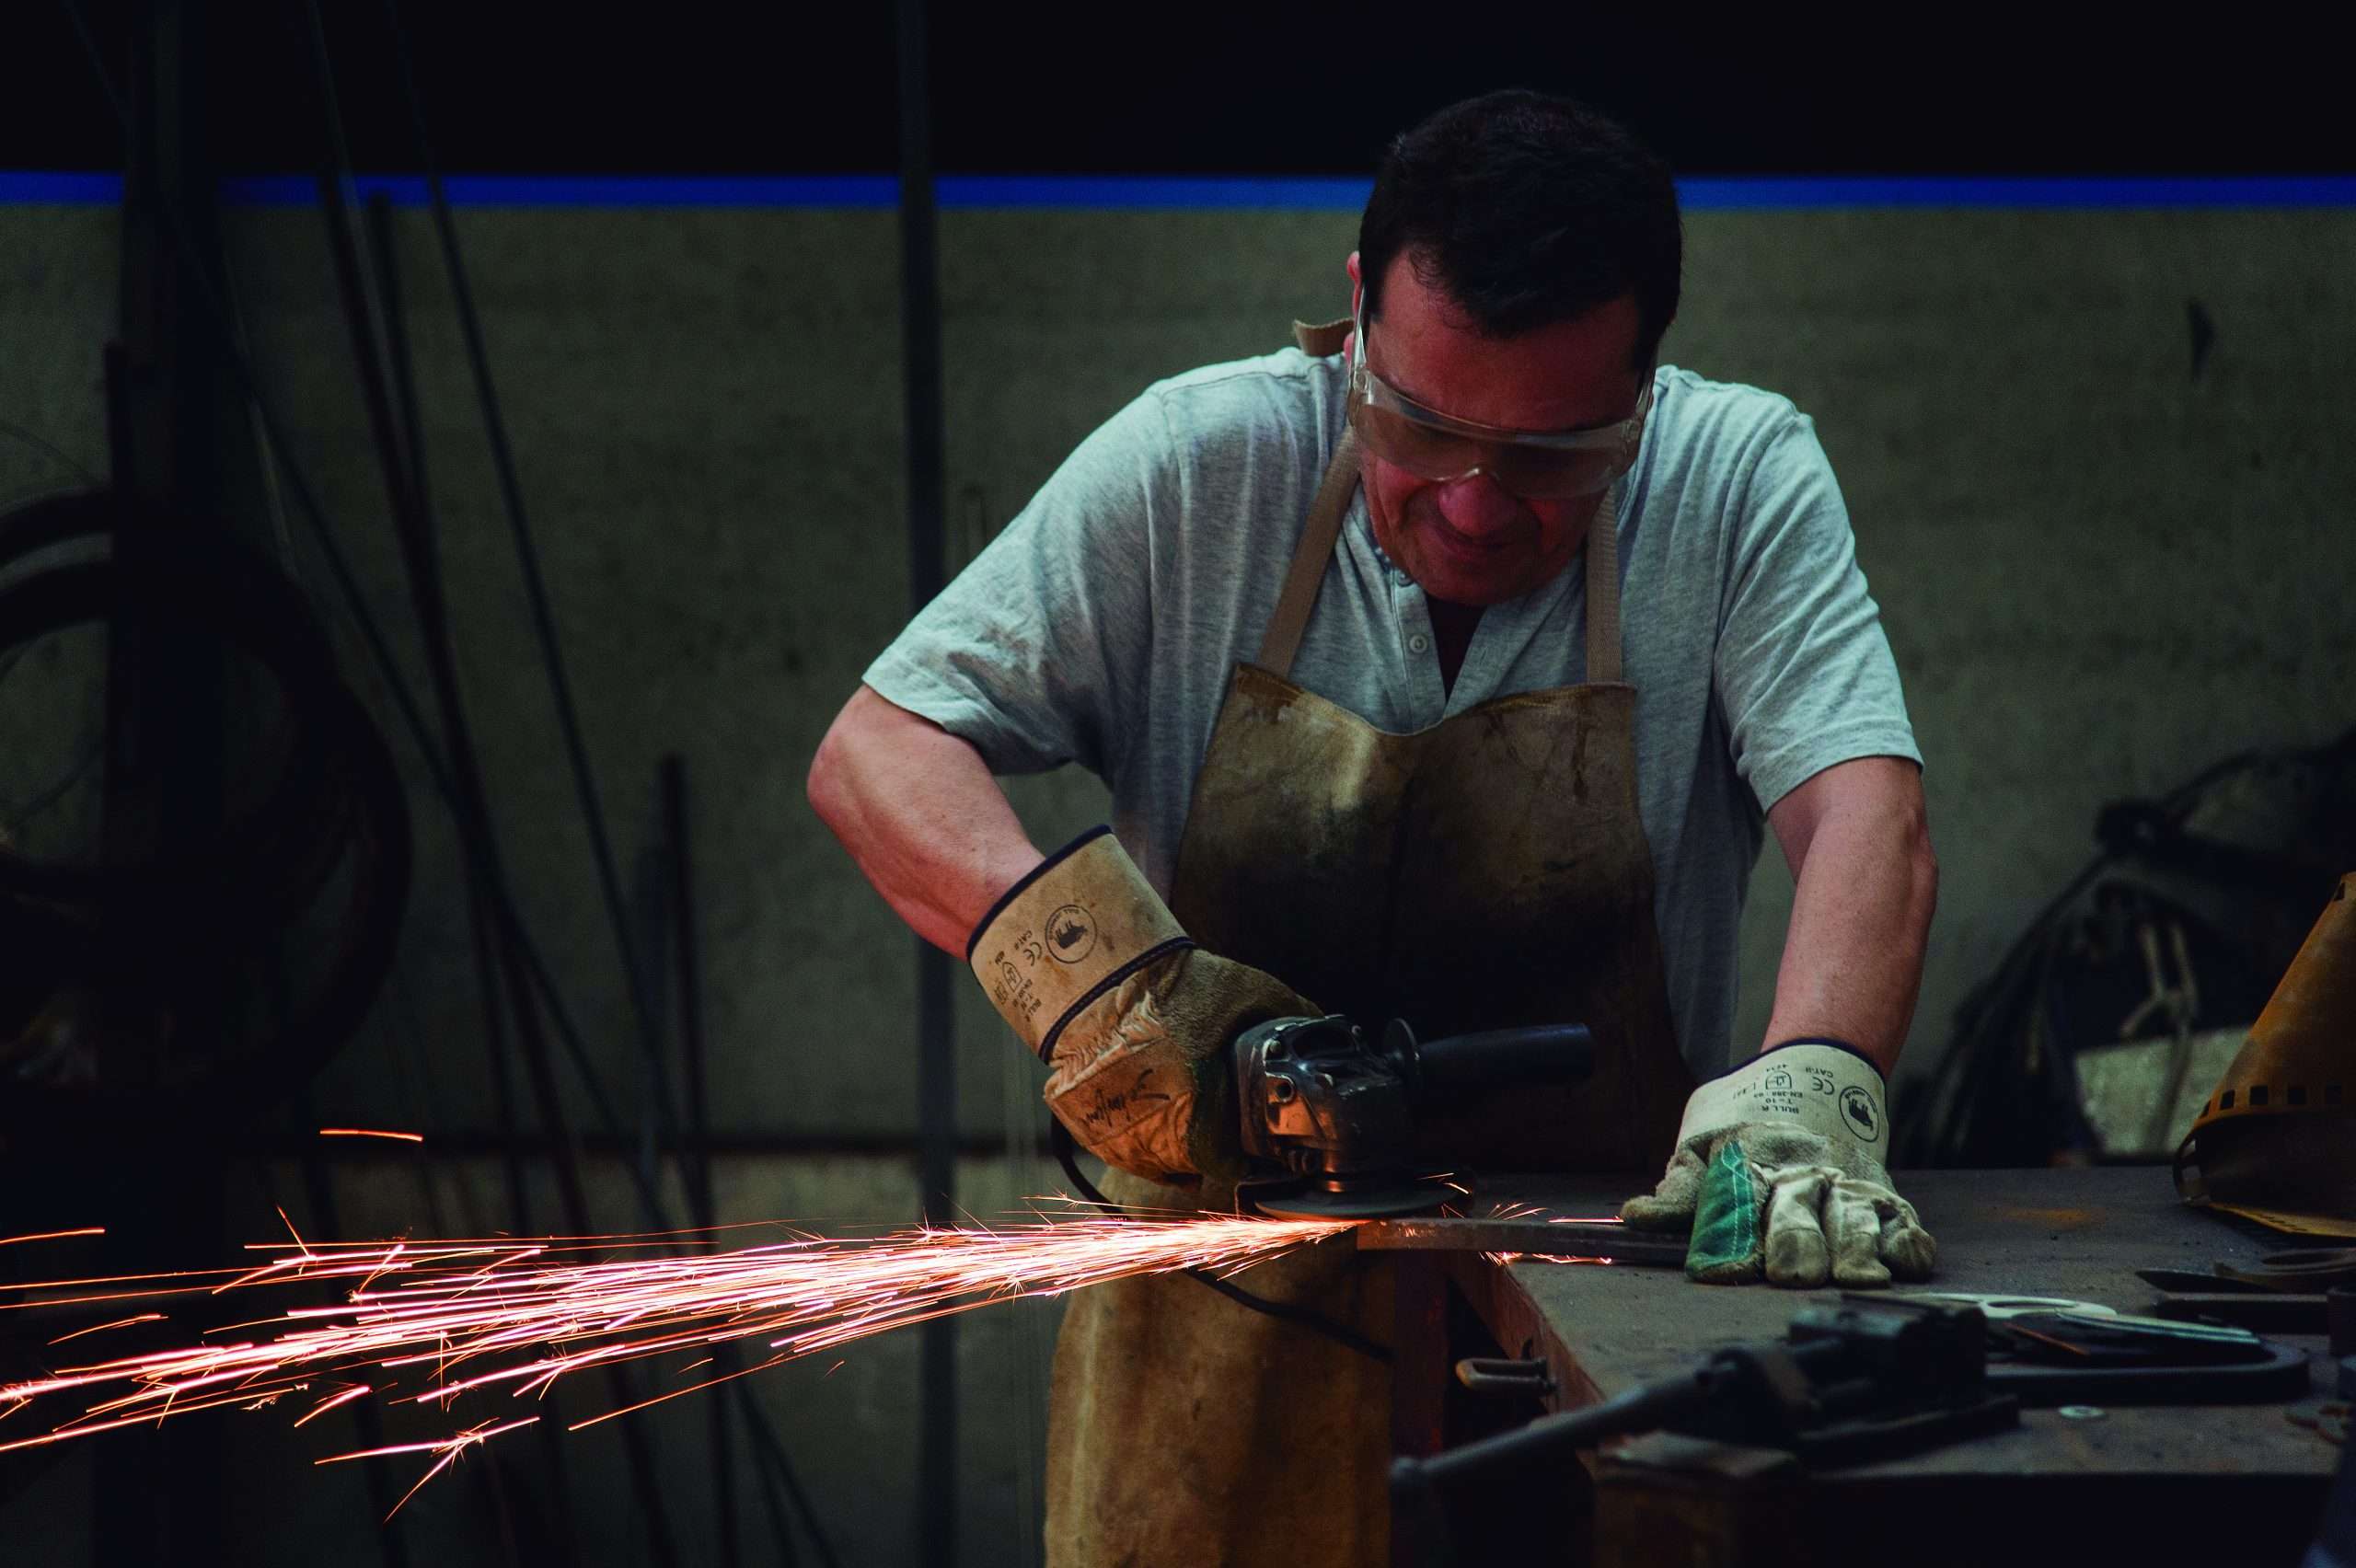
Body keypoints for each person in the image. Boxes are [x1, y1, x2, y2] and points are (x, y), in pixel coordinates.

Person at [809, 87, 1937, 1568]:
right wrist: (1110, 994)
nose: (1475, 507)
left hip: (1586, 1321)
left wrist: (1813, 1082)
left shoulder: (1733, 482)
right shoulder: (1198, 469)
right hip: (1216, 1320)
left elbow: (1868, 812)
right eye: (1423, 428)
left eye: (1552, 458)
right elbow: (877, 751)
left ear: (1644, 389)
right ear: (1357, 315)